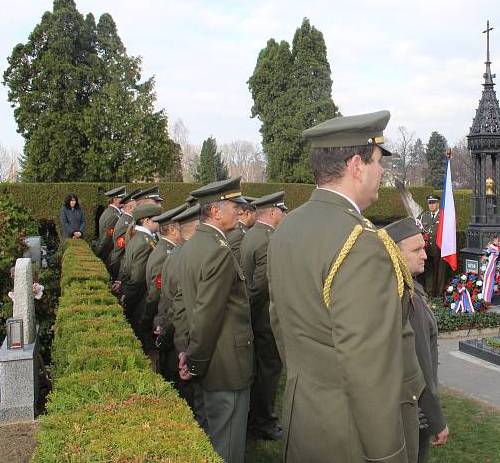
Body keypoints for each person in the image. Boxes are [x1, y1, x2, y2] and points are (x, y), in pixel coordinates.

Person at [268, 110, 424, 463]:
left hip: (305, 420)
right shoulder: (361, 243)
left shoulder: (288, 227)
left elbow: (280, 323)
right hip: (351, 438)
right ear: (356, 165)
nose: (382, 171)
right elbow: (368, 369)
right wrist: (388, 455)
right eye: (378, 161)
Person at [173, 177, 252, 463]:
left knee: (209, 437)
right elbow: (207, 314)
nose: (241, 211)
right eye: (235, 206)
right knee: (226, 445)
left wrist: (185, 350)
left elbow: (181, 305)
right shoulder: (218, 250)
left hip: (206, 363)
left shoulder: (193, 246)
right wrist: (194, 361)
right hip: (224, 366)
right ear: (216, 211)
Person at [385, 218, 449, 463]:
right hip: (415, 410)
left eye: (423, 247)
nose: (425, 255)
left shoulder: (404, 288)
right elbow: (420, 362)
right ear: (396, 253)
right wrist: (437, 420)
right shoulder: (406, 297)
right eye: (416, 250)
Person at [240, 191, 287, 441]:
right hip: (264, 316)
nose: (283, 214)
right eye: (281, 210)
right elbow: (260, 286)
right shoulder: (266, 239)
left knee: (261, 369)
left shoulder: (252, 234)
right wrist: (254, 314)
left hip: (257, 314)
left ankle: (256, 417)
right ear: (271, 212)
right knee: (268, 370)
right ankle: (265, 423)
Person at [155, 202, 200, 409]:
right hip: (182, 335)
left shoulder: (177, 252)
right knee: (190, 400)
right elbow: (180, 303)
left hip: (175, 333)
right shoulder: (186, 255)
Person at [141, 204, 187, 364]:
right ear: (173, 230)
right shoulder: (165, 253)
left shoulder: (165, 250)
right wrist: (154, 321)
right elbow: (159, 294)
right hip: (168, 321)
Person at [119, 203, 162, 347]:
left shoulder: (138, 236)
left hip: (136, 298)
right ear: (146, 221)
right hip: (140, 301)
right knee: (142, 342)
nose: (160, 221)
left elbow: (126, 266)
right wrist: (128, 300)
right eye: (157, 219)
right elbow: (138, 278)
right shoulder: (145, 242)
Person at [109, 188, 142, 280]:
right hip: (122, 272)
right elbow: (119, 253)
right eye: (137, 206)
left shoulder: (129, 221)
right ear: (131, 208)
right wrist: (118, 278)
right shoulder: (125, 224)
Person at [419, 195, 443, 296]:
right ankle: (429, 293)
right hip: (428, 249)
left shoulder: (442, 216)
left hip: (440, 249)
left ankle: (439, 294)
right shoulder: (424, 216)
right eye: (430, 203)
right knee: (429, 272)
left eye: (433, 203)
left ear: (438, 204)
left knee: (440, 272)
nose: (431, 205)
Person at [96, 185, 125, 265]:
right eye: (123, 198)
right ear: (115, 200)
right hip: (109, 256)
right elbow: (107, 240)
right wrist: (98, 257)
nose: (125, 200)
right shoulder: (114, 216)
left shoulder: (110, 211)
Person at [227, 197, 256, 261]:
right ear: (248, 214)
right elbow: (238, 261)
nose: (256, 219)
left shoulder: (237, 229)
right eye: (255, 215)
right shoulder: (241, 234)